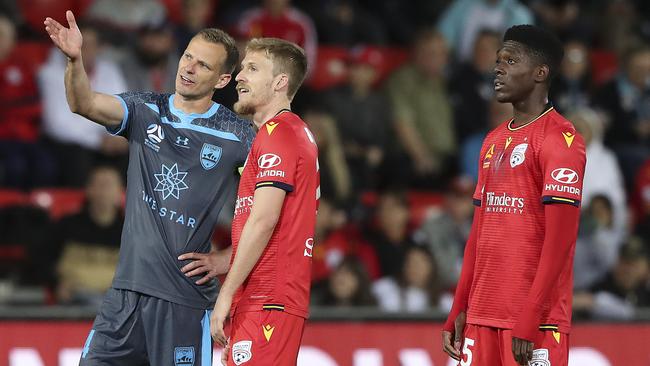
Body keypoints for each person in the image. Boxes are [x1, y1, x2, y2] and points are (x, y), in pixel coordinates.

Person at [44, 11, 255, 365]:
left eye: (202, 65)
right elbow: (84, 103)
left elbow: (277, 207)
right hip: (124, 295)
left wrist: (227, 258)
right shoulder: (146, 109)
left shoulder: (238, 135)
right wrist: (75, 60)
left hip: (183, 302)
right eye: (188, 56)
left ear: (222, 80)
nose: (188, 68)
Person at [442, 25, 586, 366]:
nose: (498, 68)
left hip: (535, 322)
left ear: (540, 72)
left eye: (510, 60)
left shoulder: (561, 141)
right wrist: (459, 308)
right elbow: (477, 235)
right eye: (497, 60)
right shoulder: (492, 140)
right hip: (481, 316)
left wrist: (530, 315)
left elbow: (559, 242)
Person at [209, 38, 318, 366]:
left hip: (267, 299)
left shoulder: (279, 133)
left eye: (252, 68)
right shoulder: (292, 134)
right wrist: (227, 261)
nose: (240, 76)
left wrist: (226, 292)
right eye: (243, 67)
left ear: (280, 82)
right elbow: (286, 224)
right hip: (267, 299)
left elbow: (265, 219)